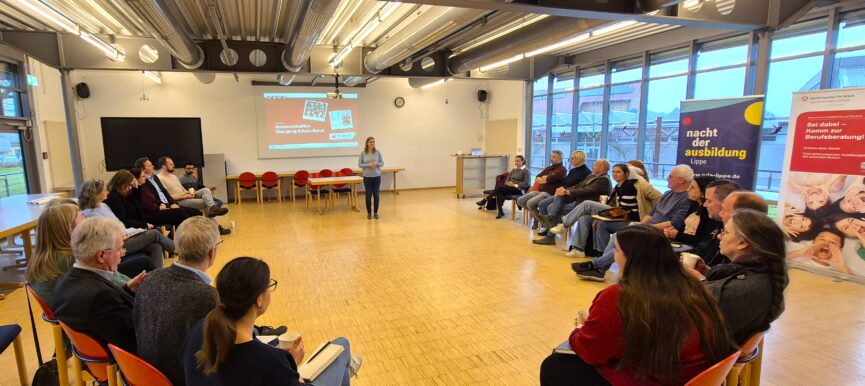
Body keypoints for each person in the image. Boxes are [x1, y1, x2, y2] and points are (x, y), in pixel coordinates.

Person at [540, 225, 735, 385]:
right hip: (694, 375)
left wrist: (579, 331)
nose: (614, 256)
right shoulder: (691, 285)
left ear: (628, 257)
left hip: (657, 377)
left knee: (555, 365)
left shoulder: (620, 295)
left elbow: (592, 351)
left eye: (616, 250)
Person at [181, 257, 361, 386]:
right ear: (259, 299)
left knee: (343, 368)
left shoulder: (198, 331)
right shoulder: (271, 362)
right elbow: (261, 368)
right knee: (341, 346)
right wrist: (292, 369)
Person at [134, 216, 221, 385]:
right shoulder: (206, 294)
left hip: (144, 373)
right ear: (212, 252)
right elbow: (218, 350)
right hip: (181, 378)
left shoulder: (150, 278)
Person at [687, 209, 789, 344]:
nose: (719, 236)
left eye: (725, 232)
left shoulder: (740, 291)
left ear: (742, 243)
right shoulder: (766, 272)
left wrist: (698, 281)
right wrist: (706, 271)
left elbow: (700, 327)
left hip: (710, 354)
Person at [574, 165, 694, 280]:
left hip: (660, 232)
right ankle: (599, 268)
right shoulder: (668, 193)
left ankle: (597, 265)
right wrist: (642, 224)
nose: (667, 178)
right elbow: (652, 212)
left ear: (681, 180)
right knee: (613, 234)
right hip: (648, 226)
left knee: (621, 237)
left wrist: (648, 227)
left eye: (670, 176)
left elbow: (674, 223)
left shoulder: (686, 199)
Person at [26, 203, 150, 306]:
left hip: (72, 313)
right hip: (82, 314)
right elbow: (109, 284)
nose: (86, 220)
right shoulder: (69, 258)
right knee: (143, 261)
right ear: (70, 229)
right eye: (82, 217)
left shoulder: (45, 255)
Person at [53, 217, 146, 353]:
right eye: (119, 249)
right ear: (101, 255)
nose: (122, 254)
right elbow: (137, 339)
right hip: (126, 362)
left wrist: (127, 289)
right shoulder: (101, 297)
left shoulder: (64, 281)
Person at [79, 178, 175, 269]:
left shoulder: (103, 205)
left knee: (155, 246)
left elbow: (118, 224)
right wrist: (132, 231)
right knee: (154, 233)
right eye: (105, 190)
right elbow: (107, 236)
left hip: (125, 235)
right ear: (96, 193)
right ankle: (178, 249)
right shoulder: (89, 214)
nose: (107, 192)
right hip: (115, 245)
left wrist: (133, 231)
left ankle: (153, 277)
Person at [535, 160, 614, 246]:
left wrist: (567, 192)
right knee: (554, 207)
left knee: (554, 208)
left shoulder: (604, 180)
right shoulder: (591, 176)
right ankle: (550, 231)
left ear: (602, 168)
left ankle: (551, 229)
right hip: (579, 202)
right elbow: (578, 186)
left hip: (588, 206)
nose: (592, 166)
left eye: (595, 165)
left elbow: (586, 191)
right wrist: (565, 190)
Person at [533, 150, 592, 236]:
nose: (570, 160)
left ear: (579, 159)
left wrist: (565, 190)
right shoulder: (573, 171)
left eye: (572, 158)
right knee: (542, 203)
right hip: (562, 194)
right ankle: (547, 225)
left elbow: (580, 187)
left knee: (551, 207)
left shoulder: (586, 172)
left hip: (571, 196)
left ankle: (550, 221)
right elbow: (564, 182)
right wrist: (561, 188)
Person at [127, 166, 196, 230]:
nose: (145, 177)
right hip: (149, 215)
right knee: (179, 212)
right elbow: (145, 205)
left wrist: (161, 203)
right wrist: (158, 207)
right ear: (136, 179)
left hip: (157, 209)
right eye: (143, 176)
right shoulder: (135, 191)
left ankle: (183, 236)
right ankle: (192, 231)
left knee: (182, 214)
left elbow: (155, 197)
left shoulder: (145, 186)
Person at [156, 157, 227, 217]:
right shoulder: (160, 178)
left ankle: (212, 210)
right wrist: (185, 196)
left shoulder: (173, 176)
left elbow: (183, 189)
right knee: (208, 203)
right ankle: (215, 225)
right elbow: (168, 197)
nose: (173, 165)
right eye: (171, 164)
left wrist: (191, 192)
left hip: (186, 196)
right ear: (163, 166)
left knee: (205, 190)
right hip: (180, 201)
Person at [517, 150, 567, 229]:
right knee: (520, 200)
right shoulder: (548, 168)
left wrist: (546, 178)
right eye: (551, 156)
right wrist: (544, 179)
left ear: (560, 159)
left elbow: (552, 179)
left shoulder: (562, 170)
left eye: (554, 157)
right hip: (540, 191)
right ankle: (538, 219)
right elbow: (538, 176)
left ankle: (540, 221)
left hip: (550, 194)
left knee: (530, 203)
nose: (551, 158)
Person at [663, 175, 719, 246]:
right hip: (682, 244)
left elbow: (705, 240)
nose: (687, 190)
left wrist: (677, 235)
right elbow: (683, 229)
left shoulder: (711, 211)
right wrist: (671, 231)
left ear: (703, 192)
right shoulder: (693, 204)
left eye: (692, 187)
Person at [358, 137, 384, 219]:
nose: (372, 143)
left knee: (376, 195)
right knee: (368, 195)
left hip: (377, 177)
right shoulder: (363, 153)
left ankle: (375, 213)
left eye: (373, 142)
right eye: (370, 142)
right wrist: (369, 165)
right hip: (367, 177)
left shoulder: (377, 152)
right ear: (367, 143)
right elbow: (360, 165)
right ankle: (369, 213)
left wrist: (376, 164)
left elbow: (382, 163)